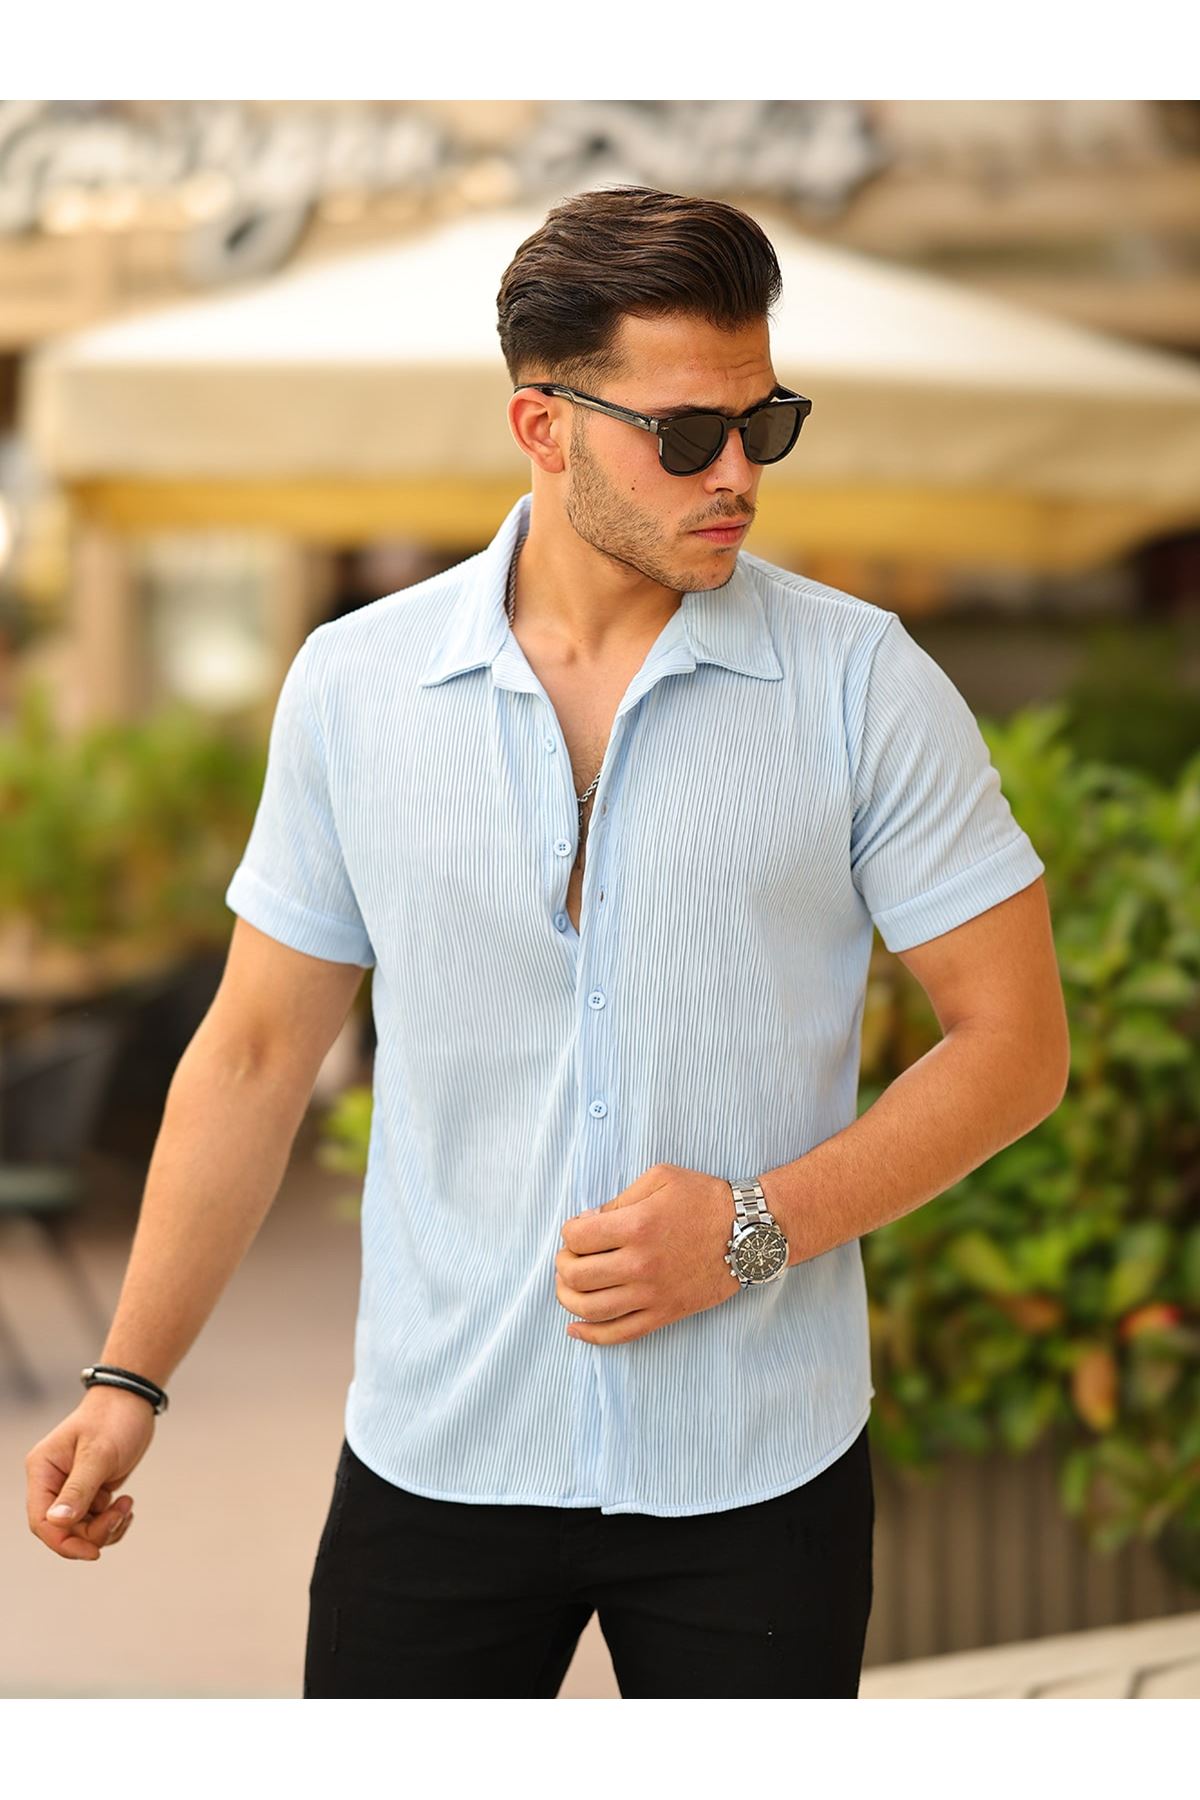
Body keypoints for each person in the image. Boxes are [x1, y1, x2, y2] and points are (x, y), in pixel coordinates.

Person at [23, 184, 1070, 1699]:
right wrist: (131, 1374)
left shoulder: (863, 686)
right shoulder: (356, 686)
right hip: (436, 1457)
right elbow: (252, 1055)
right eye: (687, 434)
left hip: (756, 1471)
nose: (739, 475)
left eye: (765, 424)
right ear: (543, 426)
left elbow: (1016, 1044)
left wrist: (752, 1228)